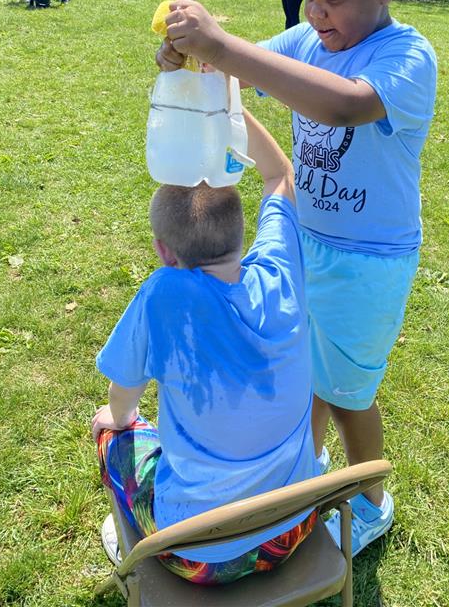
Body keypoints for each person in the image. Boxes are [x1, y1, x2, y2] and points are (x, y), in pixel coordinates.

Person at [156, 0, 438, 557]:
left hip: (369, 261)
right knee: (296, 372)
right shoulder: (310, 36)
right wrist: (193, 58)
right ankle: (301, 479)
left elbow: (342, 106)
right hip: (303, 241)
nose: (317, 13)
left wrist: (223, 49)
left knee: (347, 392)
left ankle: (371, 502)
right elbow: (240, 70)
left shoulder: (406, 57)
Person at [92, 106, 319, 585]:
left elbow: (122, 401)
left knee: (111, 430)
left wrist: (116, 422)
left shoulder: (164, 295)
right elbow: (279, 174)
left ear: (163, 251)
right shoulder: (281, 273)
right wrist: (228, 103)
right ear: (241, 233)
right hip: (296, 524)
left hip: (201, 557)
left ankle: (131, 534)